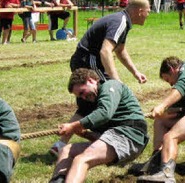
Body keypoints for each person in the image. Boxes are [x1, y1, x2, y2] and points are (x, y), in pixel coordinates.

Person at [49, 0, 149, 155]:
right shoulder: (121, 21)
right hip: (89, 59)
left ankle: (61, 145)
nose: (148, 15)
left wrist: (135, 72)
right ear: (140, 11)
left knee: (87, 105)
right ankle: (109, 137)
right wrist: (116, 83)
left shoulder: (123, 21)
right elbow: (105, 51)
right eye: (148, 11)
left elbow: (120, 50)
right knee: (106, 95)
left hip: (85, 58)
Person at [48, 68, 149, 183]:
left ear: (91, 80)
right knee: (66, 150)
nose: (83, 98)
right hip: (115, 137)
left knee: (81, 159)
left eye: (82, 92)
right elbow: (103, 137)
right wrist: (85, 133)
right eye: (80, 97)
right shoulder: (90, 102)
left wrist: (74, 126)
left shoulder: (111, 86)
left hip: (130, 135)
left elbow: (105, 113)